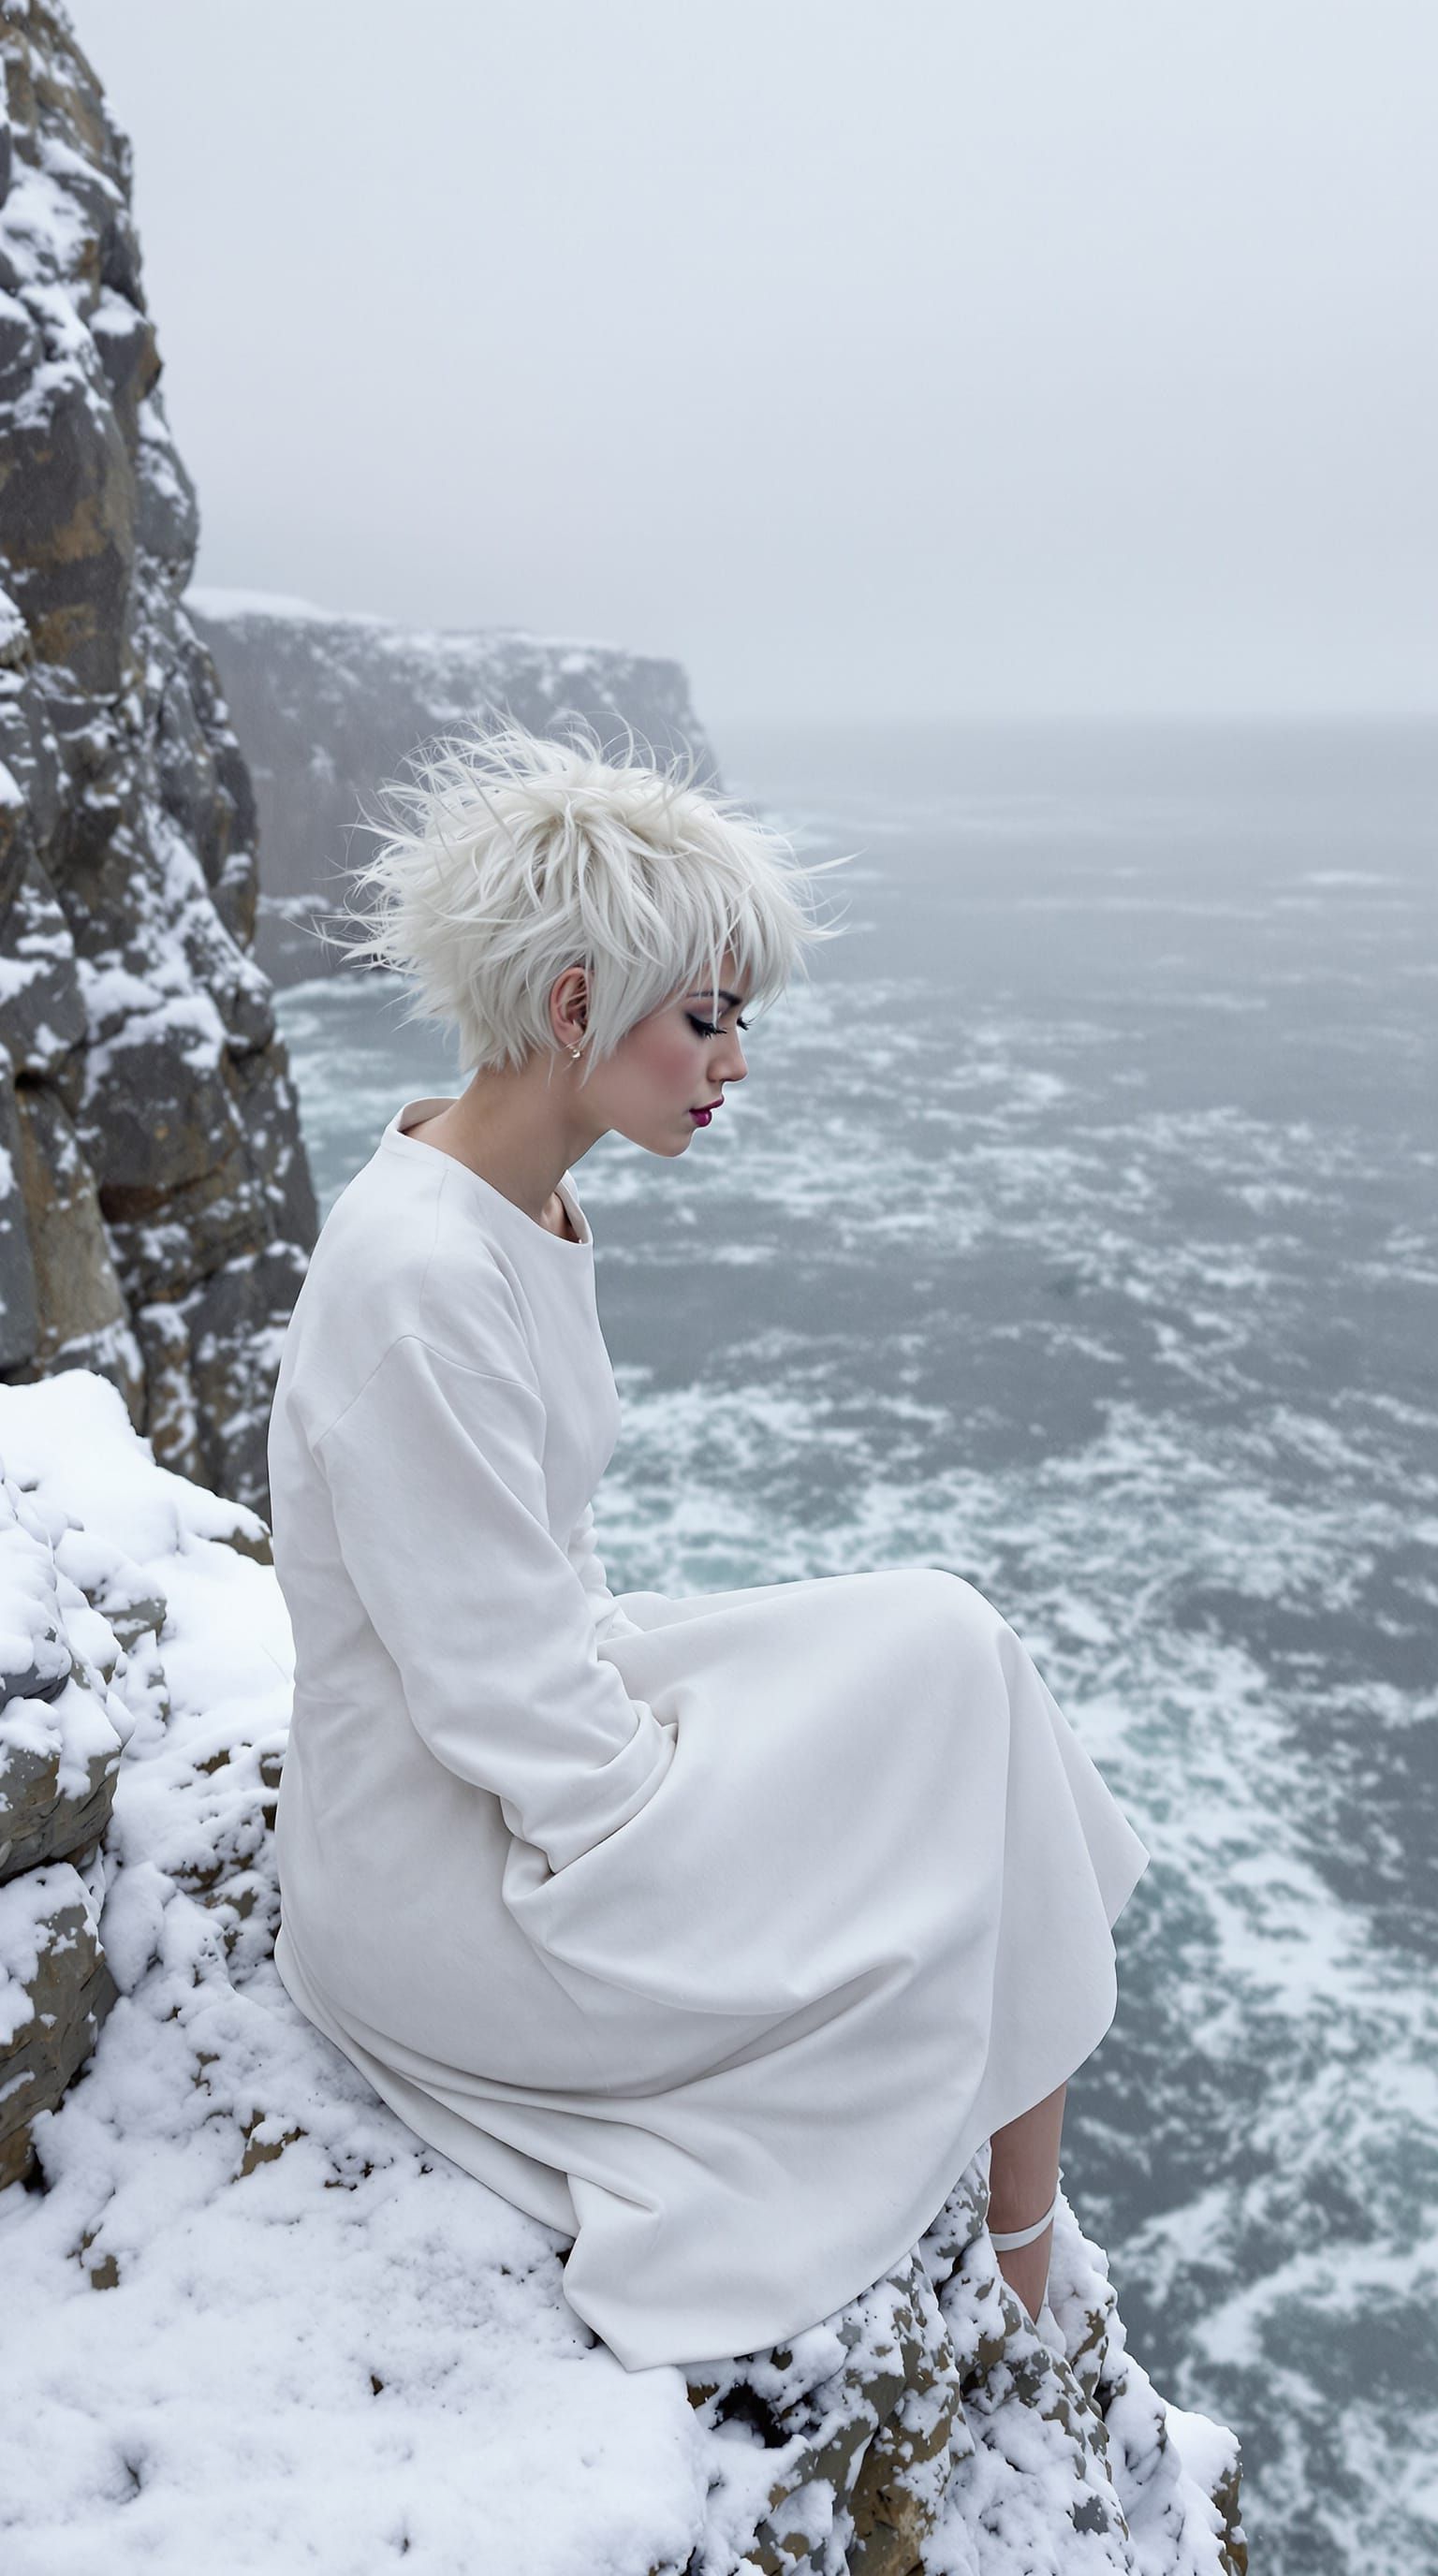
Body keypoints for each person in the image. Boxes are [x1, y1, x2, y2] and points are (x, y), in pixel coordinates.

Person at [266, 719, 1149, 2374]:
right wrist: (705, 1847)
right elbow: (508, 1709)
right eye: (707, 1017)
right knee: (930, 1752)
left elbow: (526, 1597)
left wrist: (729, 1758)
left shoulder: (507, 1204)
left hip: (515, 1733)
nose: (734, 1062)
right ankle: (1021, 2253)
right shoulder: (420, 1283)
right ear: (576, 1004)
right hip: (437, 1875)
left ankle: (1022, 2223)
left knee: (953, 1649)